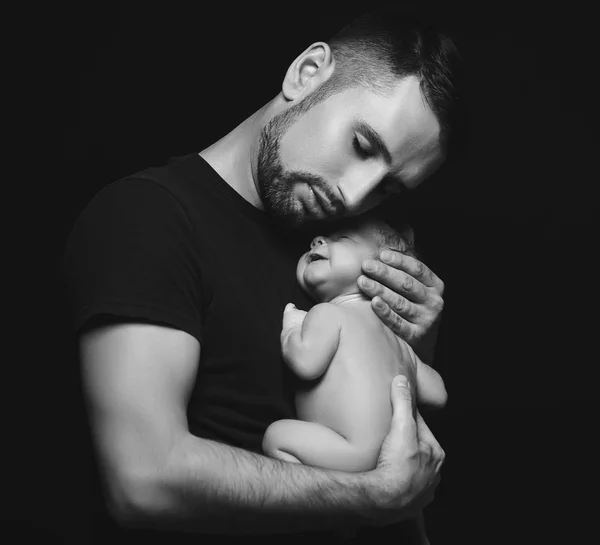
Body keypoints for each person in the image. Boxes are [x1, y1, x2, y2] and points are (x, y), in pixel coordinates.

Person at [63, 8, 463, 544]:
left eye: (389, 187)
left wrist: (415, 342)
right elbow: (144, 479)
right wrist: (374, 499)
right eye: (362, 146)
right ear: (306, 72)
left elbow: (385, 436)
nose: (355, 195)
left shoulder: (341, 257)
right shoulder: (149, 218)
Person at [263, 218, 448, 543]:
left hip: (347, 450)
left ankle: (317, 514)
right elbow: (438, 394)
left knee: (275, 436)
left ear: (384, 269)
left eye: (341, 237)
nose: (316, 240)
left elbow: (305, 362)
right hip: (394, 457)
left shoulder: (326, 314)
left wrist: (293, 327)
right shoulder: (398, 343)